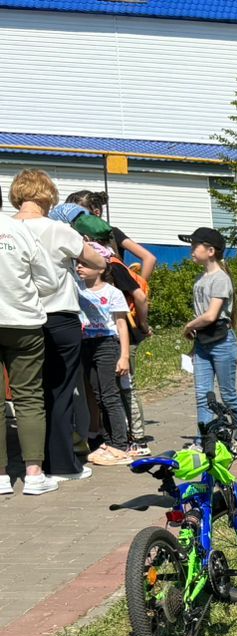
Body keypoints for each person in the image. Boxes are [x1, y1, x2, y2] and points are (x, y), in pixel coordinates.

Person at [11, 171, 104, 483]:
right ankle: (62, 464)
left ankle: (23, 463)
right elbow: (98, 262)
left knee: (28, 394)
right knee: (60, 391)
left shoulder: (8, 228)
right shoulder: (58, 229)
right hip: (59, 315)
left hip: (19, 315)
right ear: (47, 196)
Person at [0, 208, 59, 495]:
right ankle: (34, 475)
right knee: (29, 397)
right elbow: (49, 281)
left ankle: (0, 477)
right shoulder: (20, 230)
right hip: (23, 322)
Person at [179, 227, 237, 457]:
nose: (191, 251)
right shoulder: (202, 278)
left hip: (222, 343)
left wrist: (190, 326)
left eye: (195, 246)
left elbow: (211, 316)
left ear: (210, 251)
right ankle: (204, 441)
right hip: (203, 343)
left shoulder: (221, 279)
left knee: (228, 394)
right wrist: (194, 340)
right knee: (203, 396)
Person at [75, 251, 134, 464]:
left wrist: (124, 355)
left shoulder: (112, 293)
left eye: (85, 264)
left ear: (100, 268)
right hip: (85, 345)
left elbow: (121, 324)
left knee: (110, 395)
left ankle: (120, 445)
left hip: (107, 345)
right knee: (97, 395)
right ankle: (107, 442)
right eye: (78, 263)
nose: (79, 267)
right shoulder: (76, 288)